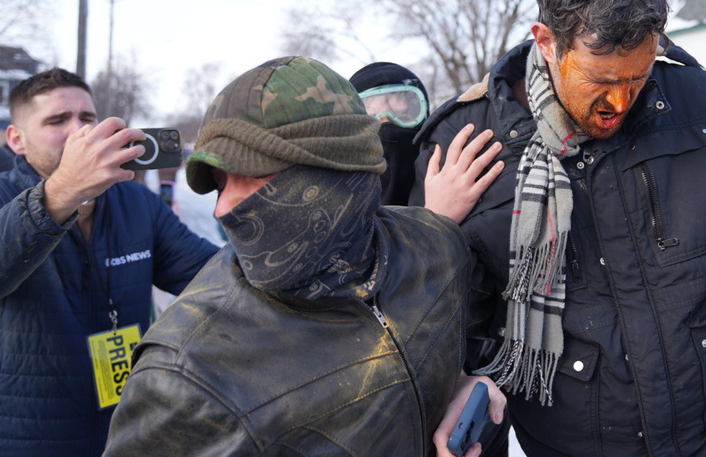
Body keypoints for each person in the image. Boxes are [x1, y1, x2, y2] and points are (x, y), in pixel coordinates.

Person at [412, 0, 706, 456]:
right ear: (546, 41)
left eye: (637, 78)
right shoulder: (464, 144)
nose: (618, 101)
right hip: (577, 441)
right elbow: (444, 303)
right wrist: (458, 374)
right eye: (600, 79)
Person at [104, 56, 505, 457]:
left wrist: (463, 386)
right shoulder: (184, 377)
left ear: (340, 168)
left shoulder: (437, 248)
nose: (224, 209)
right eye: (220, 183)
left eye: (255, 176)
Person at [0, 68, 219, 457]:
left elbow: (213, 280)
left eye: (87, 118)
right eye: (57, 120)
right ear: (17, 139)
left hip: (124, 429)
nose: (79, 131)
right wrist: (64, 191)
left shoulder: (136, 203)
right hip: (25, 437)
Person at [350, 61, 430, 205]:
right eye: (371, 121)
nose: (387, 128)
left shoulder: (449, 178)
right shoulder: (335, 197)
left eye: (403, 116)